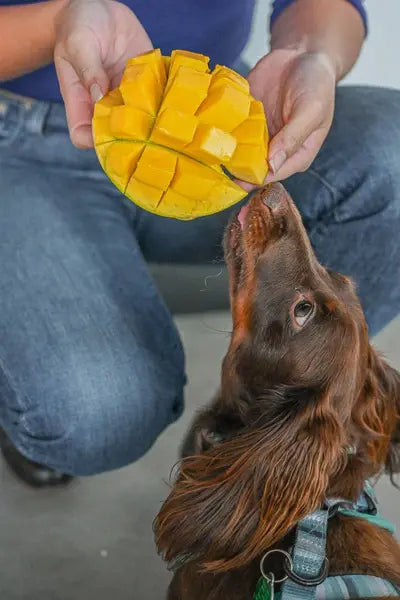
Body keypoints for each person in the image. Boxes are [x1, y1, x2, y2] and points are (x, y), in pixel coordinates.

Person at [0, 0, 399, 487]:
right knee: (96, 416)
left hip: (218, 128)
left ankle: (269, 434)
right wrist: (59, 23)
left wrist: (310, 53)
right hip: (20, 146)